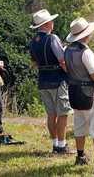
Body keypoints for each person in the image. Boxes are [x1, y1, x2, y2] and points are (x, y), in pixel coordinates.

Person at [65, 17, 94, 174]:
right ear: (86, 34)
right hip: (88, 92)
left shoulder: (68, 50)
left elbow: (75, 65)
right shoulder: (86, 52)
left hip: (74, 91)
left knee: (79, 125)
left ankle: (80, 156)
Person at [29, 9, 74, 154]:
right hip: (57, 79)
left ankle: (55, 144)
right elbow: (62, 60)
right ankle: (62, 146)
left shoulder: (33, 42)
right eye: (51, 21)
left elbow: (34, 63)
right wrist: (70, 72)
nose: (53, 23)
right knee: (63, 114)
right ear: (47, 23)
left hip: (43, 80)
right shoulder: (52, 38)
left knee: (51, 114)